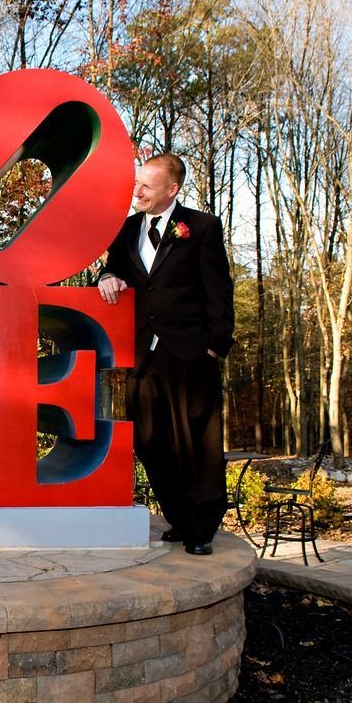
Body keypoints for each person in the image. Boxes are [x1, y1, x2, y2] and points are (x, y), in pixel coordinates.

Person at [97, 153, 234, 556]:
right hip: (140, 355)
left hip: (190, 353)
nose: (136, 191)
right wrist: (107, 276)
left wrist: (216, 343)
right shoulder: (125, 230)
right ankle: (178, 516)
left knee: (196, 443)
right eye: (136, 184)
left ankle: (201, 527)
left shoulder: (202, 227)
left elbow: (219, 291)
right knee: (148, 440)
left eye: (146, 186)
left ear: (171, 190)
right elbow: (113, 267)